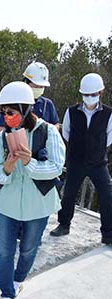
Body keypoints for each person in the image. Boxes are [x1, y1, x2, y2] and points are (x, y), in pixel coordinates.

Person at [0, 81, 65, 299]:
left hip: (38, 204)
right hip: (8, 203)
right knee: (4, 252)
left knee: (29, 248)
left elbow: (56, 167)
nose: (6, 117)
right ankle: (7, 295)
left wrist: (29, 163)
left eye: (11, 112)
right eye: (3, 112)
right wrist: (8, 167)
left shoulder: (48, 132)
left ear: (25, 109)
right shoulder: (3, 138)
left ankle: (18, 279)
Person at [50, 73, 112, 245]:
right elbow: (66, 133)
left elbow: (109, 137)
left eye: (93, 94)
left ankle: (108, 234)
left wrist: (96, 152)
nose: (89, 97)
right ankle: (64, 225)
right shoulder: (71, 112)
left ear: (101, 93)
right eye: (86, 94)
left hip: (98, 163)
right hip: (76, 161)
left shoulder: (109, 114)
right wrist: (77, 152)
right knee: (68, 194)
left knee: (107, 196)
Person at [0, 62, 59, 133]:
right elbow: (1, 129)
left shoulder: (47, 104)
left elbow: (56, 124)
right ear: (26, 82)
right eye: (36, 86)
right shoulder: (13, 103)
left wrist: (49, 131)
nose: (39, 89)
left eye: (41, 87)